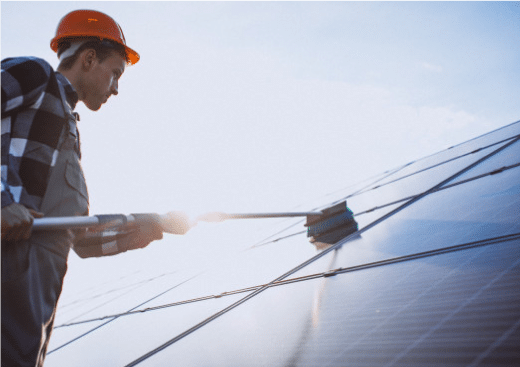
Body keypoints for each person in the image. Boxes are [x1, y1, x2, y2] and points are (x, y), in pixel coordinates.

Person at [0, 9, 186, 366]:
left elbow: (78, 240)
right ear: (88, 58)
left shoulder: (68, 132)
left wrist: (155, 225)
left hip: (33, 311)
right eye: (115, 74)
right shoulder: (34, 74)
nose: (116, 89)